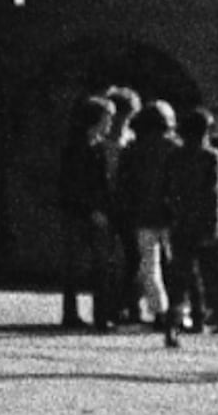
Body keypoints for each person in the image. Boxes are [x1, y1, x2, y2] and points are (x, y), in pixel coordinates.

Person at [113, 85, 183, 334]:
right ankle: (178, 312)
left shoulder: (133, 150)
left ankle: (160, 311)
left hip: (142, 215)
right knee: (175, 265)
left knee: (149, 265)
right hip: (171, 215)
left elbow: (124, 184)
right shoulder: (175, 149)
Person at [164, 96, 218, 344]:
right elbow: (214, 195)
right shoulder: (211, 157)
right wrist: (214, 226)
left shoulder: (174, 157)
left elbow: (168, 191)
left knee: (179, 279)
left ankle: (171, 328)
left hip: (180, 226)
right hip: (204, 226)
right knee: (214, 280)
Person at [57, 90, 122, 332]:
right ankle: (75, 313)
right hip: (79, 213)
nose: (110, 123)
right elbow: (73, 184)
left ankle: (101, 315)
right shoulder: (78, 148)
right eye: (107, 118)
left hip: (96, 212)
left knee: (100, 265)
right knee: (79, 265)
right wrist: (92, 209)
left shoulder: (98, 146)